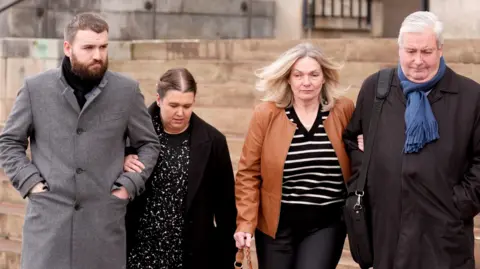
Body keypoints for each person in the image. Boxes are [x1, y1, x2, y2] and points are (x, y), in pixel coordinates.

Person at [0, 12, 160, 269]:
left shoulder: (126, 91)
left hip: (103, 225)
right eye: (88, 47)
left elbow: (149, 145)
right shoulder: (35, 89)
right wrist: (31, 184)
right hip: (48, 227)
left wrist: (128, 185)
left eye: (103, 47)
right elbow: (9, 143)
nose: (98, 55)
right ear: (67, 47)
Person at [343, 11, 480, 269]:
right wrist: (373, 185)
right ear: (399, 49)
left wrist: (459, 203)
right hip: (387, 232)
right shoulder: (375, 89)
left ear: (440, 49)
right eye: (411, 51)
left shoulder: (471, 96)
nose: (418, 61)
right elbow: (352, 141)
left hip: (443, 233)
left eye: (426, 51)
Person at [234, 42, 355, 269]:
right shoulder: (266, 115)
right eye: (298, 75)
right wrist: (245, 223)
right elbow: (248, 174)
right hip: (276, 225)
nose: (306, 82)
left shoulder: (343, 111)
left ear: (324, 77)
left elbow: (360, 156)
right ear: (288, 78)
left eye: (313, 75)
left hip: (326, 224)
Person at [124, 68, 237, 269]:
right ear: (159, 100)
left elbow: (226, 208)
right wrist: (120, 160)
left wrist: (226, 257)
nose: (180, 113)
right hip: (137, 251)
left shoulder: (214, 142)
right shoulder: (130, 134)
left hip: (190, 254)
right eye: (173, 105)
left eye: (187, 106)